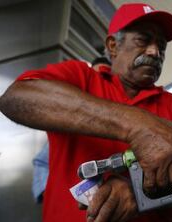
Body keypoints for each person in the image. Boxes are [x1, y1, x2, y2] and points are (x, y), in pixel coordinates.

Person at [0, 3, 172, 222]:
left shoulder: (169, 103)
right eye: (143, 40)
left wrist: (141, 192)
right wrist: (136, 125)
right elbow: (16, 97)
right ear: (113, 46)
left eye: (162, 47)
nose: (154, 51)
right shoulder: (81, 77)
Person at [31, 57, 112, 204]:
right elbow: (41, 161)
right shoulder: (69, 125)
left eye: (105, 76)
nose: (99, 82)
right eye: (95, 76)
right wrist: (48, 193)